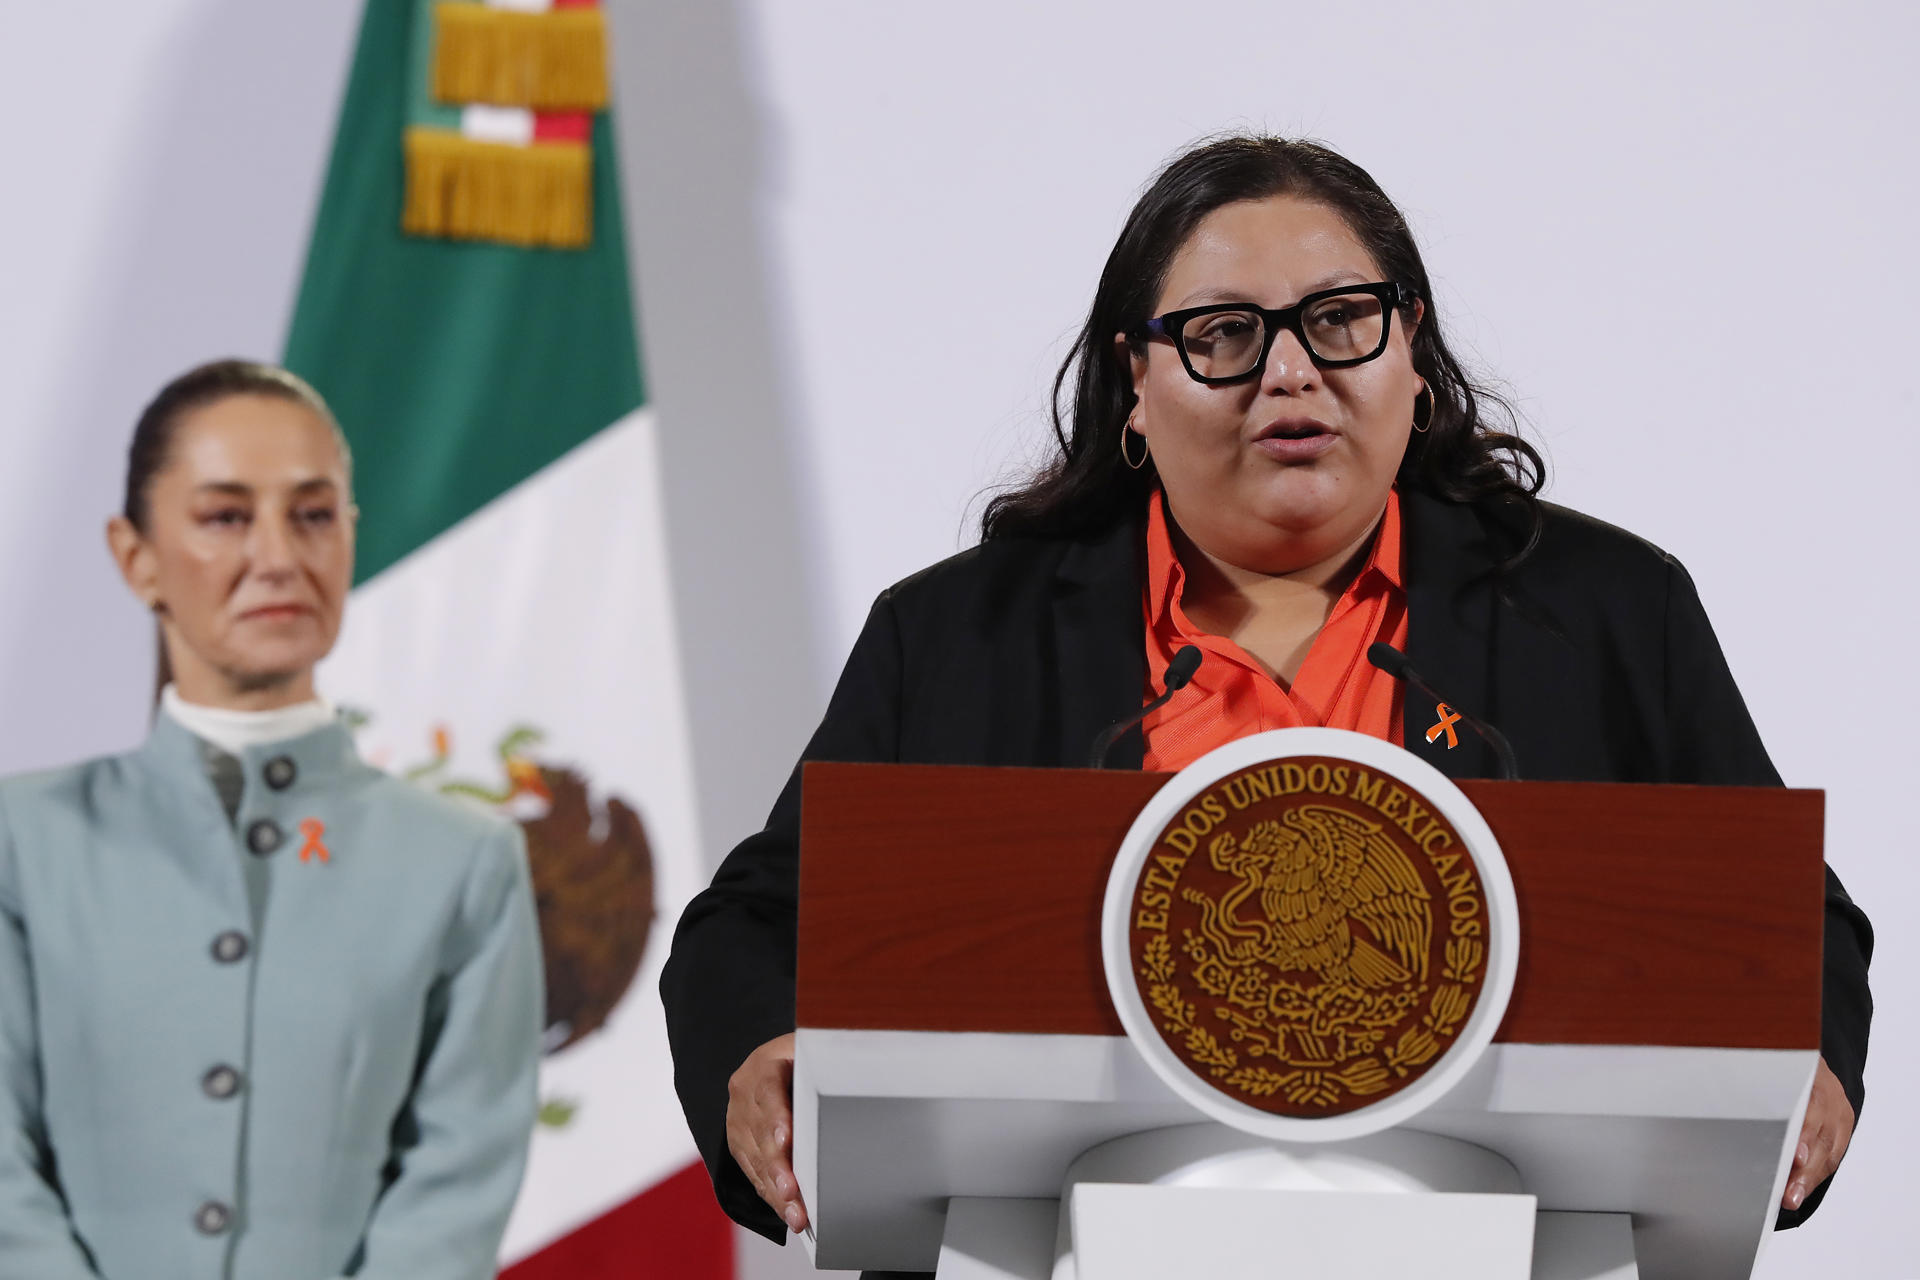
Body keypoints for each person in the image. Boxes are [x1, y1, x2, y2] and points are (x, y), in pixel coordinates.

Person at [660, 136, 1873, 1273]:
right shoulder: (960, 633)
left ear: (1413, 355)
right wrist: (760, 1049)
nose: (1289, 371)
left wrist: (1803, 1054)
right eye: (1224, 334)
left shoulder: (1605, 609)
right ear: (1134, 381)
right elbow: (755, 928)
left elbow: (1782, 918)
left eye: (1341, 321)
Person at [0, 360, 543, 1279]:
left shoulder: (464, 861)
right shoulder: (22, 842)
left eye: (313, 513)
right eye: (224, 516)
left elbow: (456, 1186)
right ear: (135, 557)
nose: (279, 557)